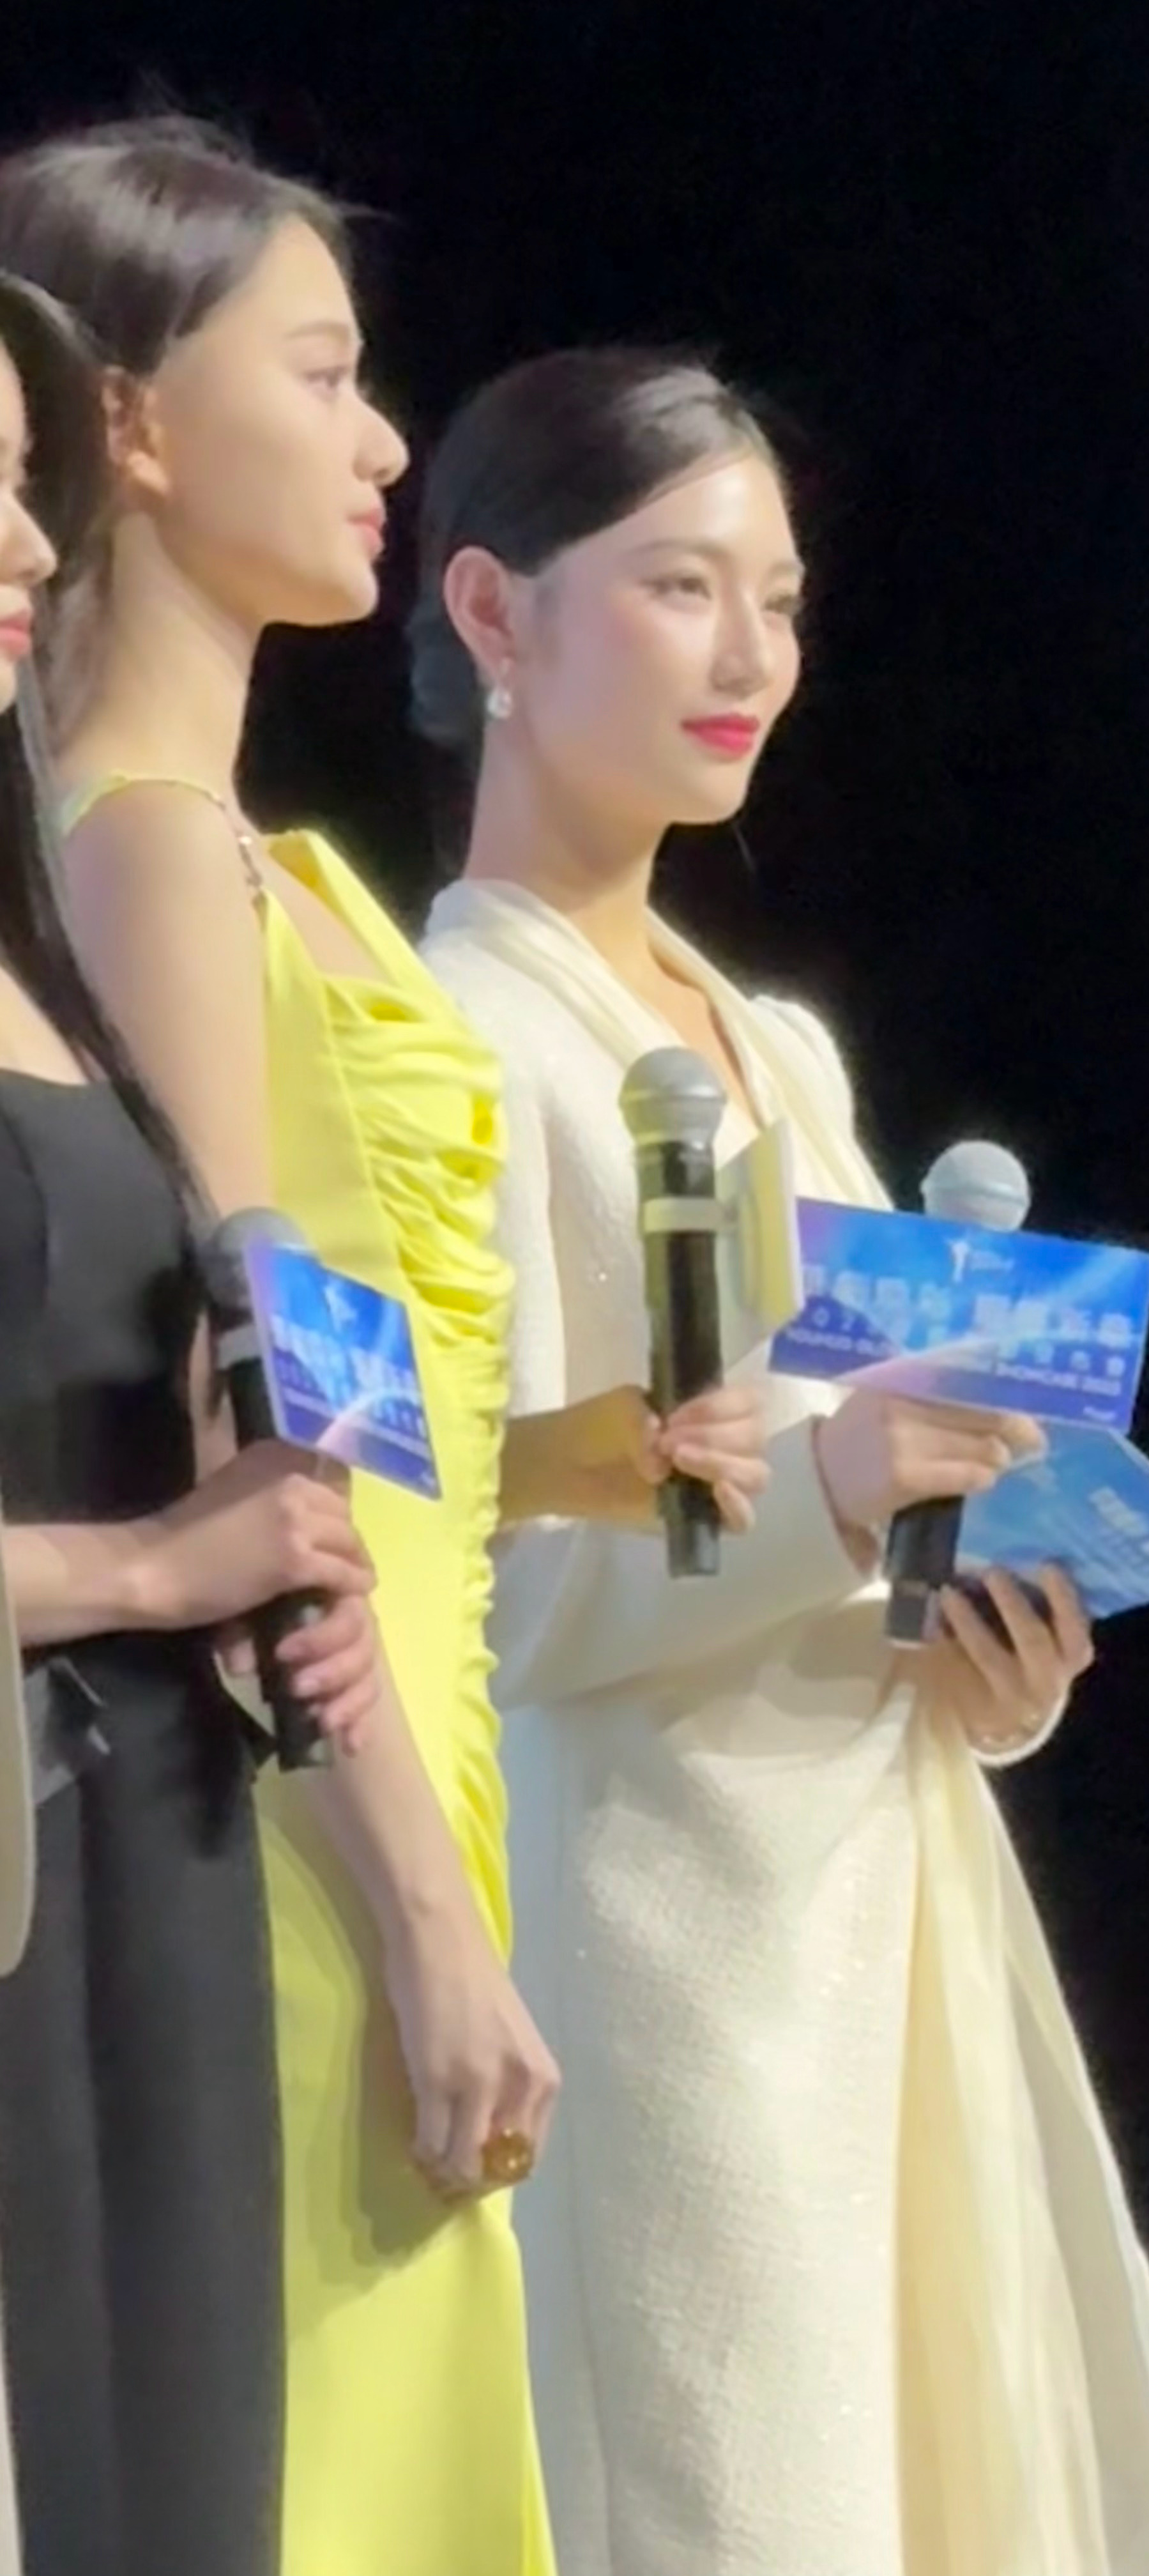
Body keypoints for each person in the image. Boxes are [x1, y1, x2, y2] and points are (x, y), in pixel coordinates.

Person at [0, 118, 756, 2576]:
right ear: (131, 424)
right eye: (320, 375)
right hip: (302, 1785)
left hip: (389, 1721)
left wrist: (584, 1456)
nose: (382, 437)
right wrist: (419, 1913)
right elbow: (220, 1419)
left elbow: (331, 1393)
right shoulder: (136, 842)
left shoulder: (244, 854)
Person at [419, 346, 1149, 2576]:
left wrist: (982, 1639)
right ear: (492, 612)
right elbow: (475, 1561)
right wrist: (835, 1491)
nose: (751, 657)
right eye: (681, 586)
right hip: (666, 1945)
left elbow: (851, 1517)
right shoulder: (454, 1032)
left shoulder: (774, 1044)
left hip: (886, 1898)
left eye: (777, 599)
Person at [0, 267, 385, 2573]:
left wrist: (253, 1545)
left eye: (23, 487)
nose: (30, 548)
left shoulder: (35, 947)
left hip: (156, 1837)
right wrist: (150, 1564)